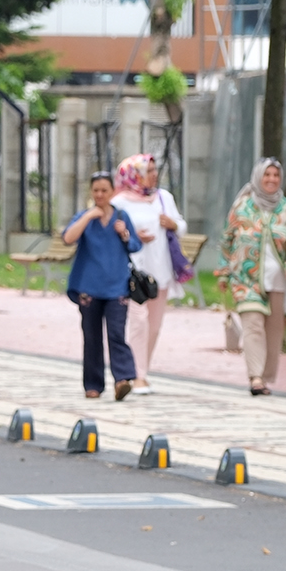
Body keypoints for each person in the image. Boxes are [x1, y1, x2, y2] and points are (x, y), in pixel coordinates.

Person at [217, 156, 286, 396]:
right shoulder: (242, 207)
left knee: (274, 331)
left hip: (277, 281)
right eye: (267, 175)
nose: (271, 180)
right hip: (246, 279)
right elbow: (226, 240)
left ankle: (265, 377)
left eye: (275, 175)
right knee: (253, 325)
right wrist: (224, 272)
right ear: (258, 177)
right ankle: (255, 377)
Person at [62, 171, 143, 400]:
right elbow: (68, 238)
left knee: (117, 334)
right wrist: (89, 217)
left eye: (104, 190)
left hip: (117, 287)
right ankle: (93, 384)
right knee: (92, 337)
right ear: (91, 192)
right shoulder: (84, 217)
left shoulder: (121, 216)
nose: (99, 194)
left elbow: (135, 245)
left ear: (112, 192)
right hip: (89, 288)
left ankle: (123, 379)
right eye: (95, 190)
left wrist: (124, 233)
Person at [112, 153, 186, 394]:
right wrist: (134, 236)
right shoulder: (120, 202)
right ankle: (138, 375)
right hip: (134, 271)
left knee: (154, 326)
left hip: (160, 269)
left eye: (155, 170)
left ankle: (143, 368)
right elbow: (113, 232)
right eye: (148, 171)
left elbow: (181, 225)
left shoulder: (163, 197)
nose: (154, 175)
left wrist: (173, 224)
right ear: (134, 175)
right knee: (138, 321)